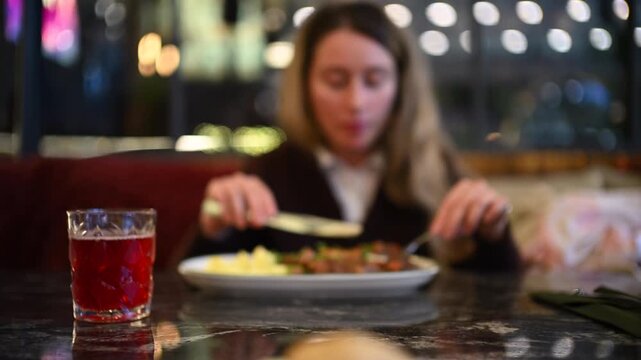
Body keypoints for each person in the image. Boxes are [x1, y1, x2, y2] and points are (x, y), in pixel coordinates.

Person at [195, 0, 520, 271]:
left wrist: (492, 235)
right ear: (305, 86)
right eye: (336, 81)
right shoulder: (270, 174)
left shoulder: (434, 169)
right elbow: (195, 288)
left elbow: (497, 299)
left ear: (401, 88)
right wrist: (214, 227)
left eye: (374, 80)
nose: (356, 103)